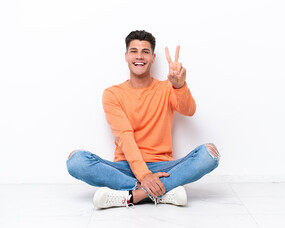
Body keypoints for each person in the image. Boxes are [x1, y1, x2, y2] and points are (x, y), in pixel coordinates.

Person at [66, 30, 220, 209]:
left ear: (153, 58)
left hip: (164, 168)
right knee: (76, 161)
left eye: (145, 52)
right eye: (134, 51)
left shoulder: (167, 88)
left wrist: (180, 86)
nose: (139, 56)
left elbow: (189, 110)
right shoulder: (112, 94)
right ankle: (161, 193)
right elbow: (124, 136)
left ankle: (134, 195)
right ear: (126, 56)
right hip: (126, 168)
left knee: (210, 154)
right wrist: (144, 175)